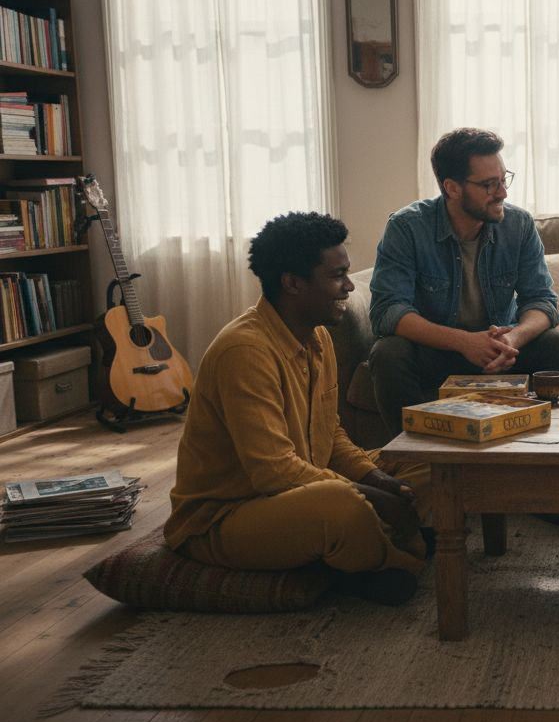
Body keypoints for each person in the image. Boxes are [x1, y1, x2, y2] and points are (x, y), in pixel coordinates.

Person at [165, 212, 428, 605]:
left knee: (432, 463)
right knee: (341, 507)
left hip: (301, 488)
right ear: (293, 283)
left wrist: (380, 481)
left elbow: (330, 434)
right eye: (337, 276)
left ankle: (365, 552)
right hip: (227, 515)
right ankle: (392, 558)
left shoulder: (318, 336)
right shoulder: (245, 351)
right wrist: (370, 497)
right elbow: (273, 472)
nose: (348, 287)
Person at [367, 127, 559, 436]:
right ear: (452, 188)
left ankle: (545, 451)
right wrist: (464, 342)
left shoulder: (518, 225)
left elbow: (542, 302)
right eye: (489, 185)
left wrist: (514, 338)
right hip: (437, 351)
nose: (503, 193)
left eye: (504, 180)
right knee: (388, 353)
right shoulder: (407, 227)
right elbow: (388, 311)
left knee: (557, 346)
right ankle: (414, 462)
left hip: (499, 352)